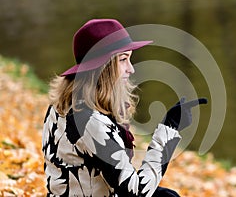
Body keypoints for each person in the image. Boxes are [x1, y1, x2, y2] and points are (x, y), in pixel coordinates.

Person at [42, 19, 207, 197]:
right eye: (123, 60)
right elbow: (137, 193)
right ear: (103, 67)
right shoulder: (89, 120)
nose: (131, 69)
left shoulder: (66, 105)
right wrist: (169, 127)